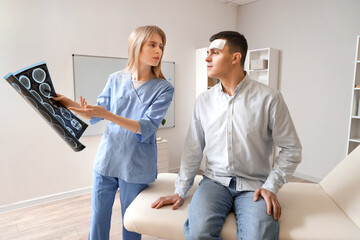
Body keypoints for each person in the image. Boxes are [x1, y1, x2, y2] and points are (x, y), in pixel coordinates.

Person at [151, 31, 301, 240]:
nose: (207, 57)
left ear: (235, 57)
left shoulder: (270, 98)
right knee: (198, 234)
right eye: (207, 52)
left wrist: (271, 186)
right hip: (214, 182)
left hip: (254, 186)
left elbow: (292, 148)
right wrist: (180, 190)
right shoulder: (204, 101)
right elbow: (193, 149)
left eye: (215, 52)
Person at [53, 25, 174, 240]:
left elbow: (146, 126)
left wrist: (108, 115)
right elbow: (95, 115)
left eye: (161, 46)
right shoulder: (115, 79)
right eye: (153, 45)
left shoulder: (163, 88)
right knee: (98, 218)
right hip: (107, 159)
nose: (159, 51)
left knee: (131, 222)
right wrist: (67, 103)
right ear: (137, 46)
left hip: (136, 164)